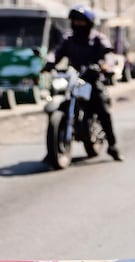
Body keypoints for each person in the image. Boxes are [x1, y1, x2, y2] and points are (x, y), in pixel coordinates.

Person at [43, 5, 122, 161]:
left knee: (103, 111)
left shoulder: (98, 38)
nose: (78, 24)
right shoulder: (68, 39)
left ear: (89, 23)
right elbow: (56, 53)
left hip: (91, 80)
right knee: (55, 106)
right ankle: (52, 147)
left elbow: (109, 54)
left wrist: (107, 66)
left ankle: (113, 146)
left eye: (81, 21)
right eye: (75, 21)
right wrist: (48, 63)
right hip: (73, 79)